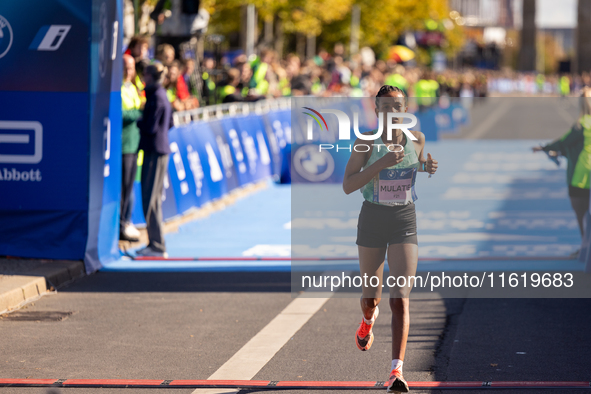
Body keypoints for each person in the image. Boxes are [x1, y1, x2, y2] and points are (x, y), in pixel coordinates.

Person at [342, 85, 438, 393]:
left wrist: (427, 166)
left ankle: (396, 371)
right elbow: (347, 185)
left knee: (401, 298)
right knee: (372, 299)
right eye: (385, 107)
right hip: (372, 219)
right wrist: (380, 164)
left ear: (405, 109)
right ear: (377, 109)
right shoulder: (365, 142)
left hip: (403, 220)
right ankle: (368, 320)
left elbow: (416, 164)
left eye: (397, 107)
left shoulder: (417, 139)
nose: (391, 112)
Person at [533, 87, 591, 258]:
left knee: (582, 216)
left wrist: (545, 147)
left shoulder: (582, 124)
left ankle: (585, 248)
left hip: (580, 178)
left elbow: (564, 143)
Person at [136, 62, 173, 258]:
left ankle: (157, 245)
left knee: (150, 199)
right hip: (159, 149)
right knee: (154, 199)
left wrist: (138, 119)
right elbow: (170, 122)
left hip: (154, 150)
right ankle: (155, 243)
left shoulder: (155, 97)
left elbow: (150, 127)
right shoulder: (162, 94)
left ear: (150, 76)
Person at [120, 54, 143, 242]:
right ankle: (122, 223)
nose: (129, 71)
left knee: (130, 186)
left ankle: (127, 220)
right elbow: (122, 113)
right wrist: (139, 112)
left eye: (132, 67)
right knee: (124, 187)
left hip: (134, 144)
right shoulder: (117, 88)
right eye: (126, 67)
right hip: (124, 144)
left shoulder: (133, 87)